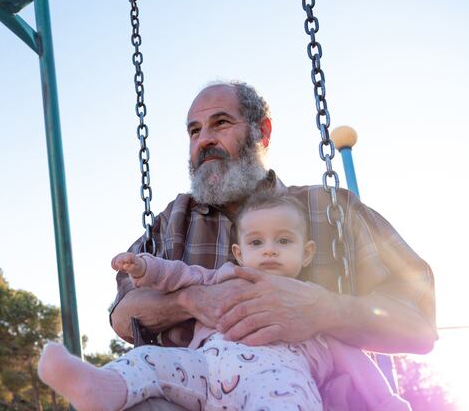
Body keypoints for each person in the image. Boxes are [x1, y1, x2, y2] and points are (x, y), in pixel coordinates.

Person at [107, 81, 436, 409]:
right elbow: (124, 316)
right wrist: (191, 300)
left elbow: (419, 324)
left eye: (220, 123)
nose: (204, 139)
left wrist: (324, 309)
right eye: (194, 131)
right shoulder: (174, 220)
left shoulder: (330, 210)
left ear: (261, 132)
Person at [38, 191, 409, 410]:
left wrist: (389, 403)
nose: (269, 252)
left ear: (307, 252)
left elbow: (359, 367)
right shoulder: (224, 276)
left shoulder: (310, 305)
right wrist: (143, 267)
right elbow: (177, 275)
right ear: (238, 251)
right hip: (203, 371)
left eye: (283, 242)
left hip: (278, 386)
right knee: (147, 360)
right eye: (257, 243)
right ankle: (100, 387)